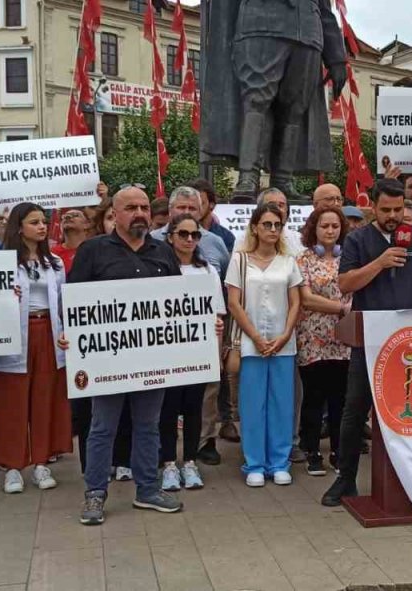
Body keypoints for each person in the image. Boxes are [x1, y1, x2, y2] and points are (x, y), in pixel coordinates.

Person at [64, 187, 189, 525]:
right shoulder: (93, 251)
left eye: (145, 207)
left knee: (148, 425)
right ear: (115, 214)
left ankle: (147, 490)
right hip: (109, 361)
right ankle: (95, 494)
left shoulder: (163, 252)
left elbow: (179, 304)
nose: (140, 213)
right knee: (103, 427)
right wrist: (69, 335)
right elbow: (72, 302)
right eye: (131, 207)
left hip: (151, 360)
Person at [321, 178, 412, 506]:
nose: (393, 216)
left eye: (398, 209)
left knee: (408, 412)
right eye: (386, 210)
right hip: (370, 341)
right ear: (373, 207)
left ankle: (411, 479)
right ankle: (345, 478)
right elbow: (346, 283)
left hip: (408, 341)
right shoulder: (357, 240)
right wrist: (380, 263)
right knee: (355, 409)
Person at [0, 204, 72, 495]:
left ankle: (40, 462)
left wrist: (66, 332)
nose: (41, 227)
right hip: (15, 336)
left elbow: (64, 302)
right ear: (18, 226)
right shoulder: (1, 261)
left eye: (42, 222)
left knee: (44, 398)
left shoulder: (55, 263)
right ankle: (13, 466)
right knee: (12, 401)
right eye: (34, 222)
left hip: (48, 333)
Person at [227, 203, 304, 487]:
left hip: (283, 344)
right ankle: (255, 464)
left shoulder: (288, 260)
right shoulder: (239, 260)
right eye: (267, 224)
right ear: (255, 227)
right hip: (251, 344)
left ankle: (279, 463)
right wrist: (257, 338)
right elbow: (234, 303)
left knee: (282, 404)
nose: (273, 230)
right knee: (252, 404)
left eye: (277, 225)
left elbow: (296, 301)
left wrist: (284, 335)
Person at [160, 213, 224, 491]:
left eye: (194, 235)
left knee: (194, 407)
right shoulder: (160, 269)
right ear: (170, 236)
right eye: (183, 234)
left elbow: (217, 312)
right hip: (168, 351)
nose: (189, 239)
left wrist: (217, 335)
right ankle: (169, 464)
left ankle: (190, 461)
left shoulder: (208, 270)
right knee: (168, 408)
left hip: (198, 351)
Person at [296, 206, 351, 475]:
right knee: (314, 397)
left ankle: (340, 451)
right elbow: (306, 299)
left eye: (335, 226)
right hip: (312, 339)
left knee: (340, 398)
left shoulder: (352, 258)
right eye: (324, 226)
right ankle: (312, 451)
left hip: (344, 339)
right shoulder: (303, 259)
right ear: (313, 229)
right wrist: (340, 308)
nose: (330, 231)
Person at [151, 186, 231, 274]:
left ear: (200, 212)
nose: (186, 212)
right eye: (181, 207)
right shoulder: (152, 239)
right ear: (170, 210)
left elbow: (226, 278)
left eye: (192, 208)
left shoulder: (215, 242)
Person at [189, 178, 237, 252]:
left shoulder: (226, 237)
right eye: (191, 203)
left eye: (201, 203)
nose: (195, 207)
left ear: (212, 204)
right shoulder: (175, 232)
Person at [51, 208, 92, 273]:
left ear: (87, 224)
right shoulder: (52, 254)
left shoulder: (95, 250)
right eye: (64, 217)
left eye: (75, 215)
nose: (67, 217)